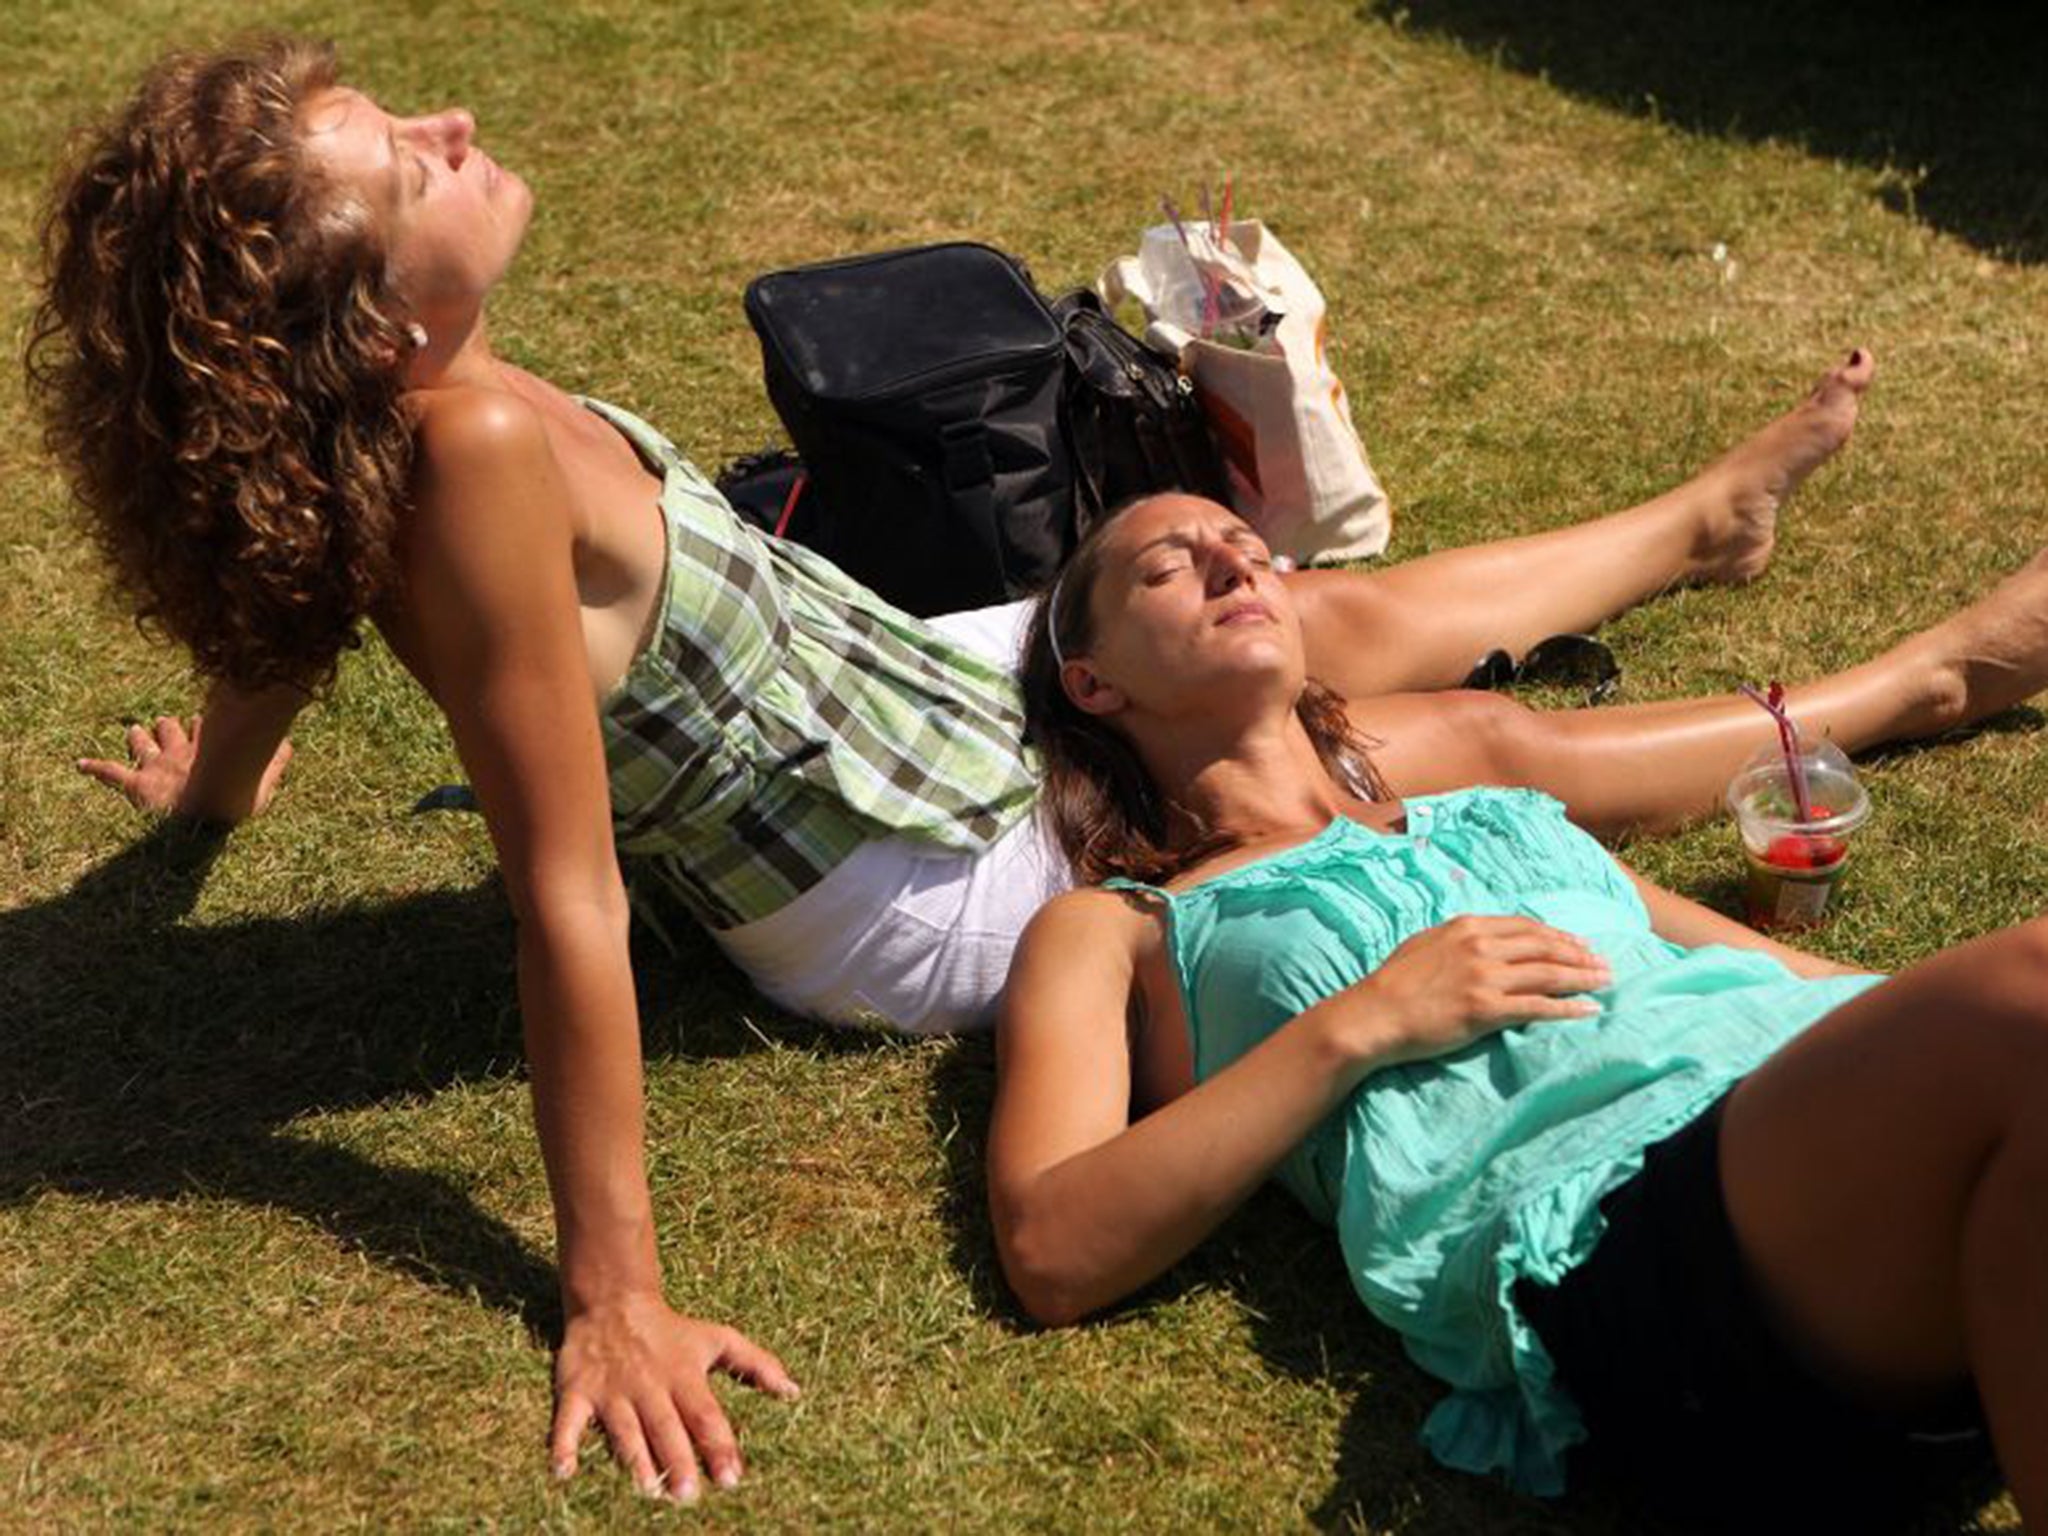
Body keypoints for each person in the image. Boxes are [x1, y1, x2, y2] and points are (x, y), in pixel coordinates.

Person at [30, 37, 2048, 1506]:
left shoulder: (413, 408)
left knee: (1281, 610)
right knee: (1442, 740)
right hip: (907, 864)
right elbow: (564, 884)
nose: (449, 119)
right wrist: (613, 1295)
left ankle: (1696, 533)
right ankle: (1901, 684)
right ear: (368, 316)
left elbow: (280, 567)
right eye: (400, 159)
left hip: (903, 685)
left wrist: (221, 788)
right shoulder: (458, 455)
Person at [987, 492, 2048, 1528]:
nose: (1231, 562)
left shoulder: (1490, 814)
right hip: (1622, 1232)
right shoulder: (1116, 927)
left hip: (1833, 1181)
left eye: (1241, 543)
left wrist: (1921, 1035)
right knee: (2025, 992)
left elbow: (1773, 971)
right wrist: (1358, 1024)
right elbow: (1050, 1248)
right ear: (1091, 683)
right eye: (1167, 567)